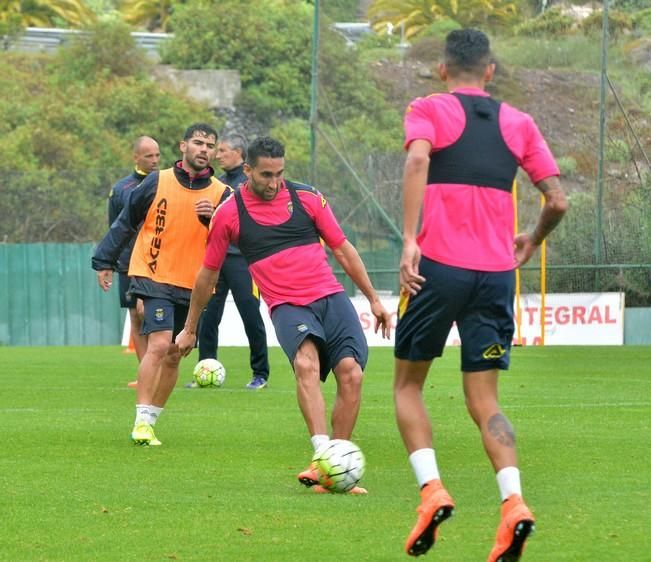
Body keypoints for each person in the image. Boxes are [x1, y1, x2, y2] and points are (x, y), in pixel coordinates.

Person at [394, 29, 568, 559]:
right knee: (485, 399)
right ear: (490, 71)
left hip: (437, 268)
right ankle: (513, 501)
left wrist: (408, 238)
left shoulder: (429, 108)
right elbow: (557, 200)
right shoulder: (519, 123)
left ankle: (432, 490)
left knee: (407, 386)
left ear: (443, 70)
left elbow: (418, 160)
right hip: (495, 274)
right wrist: (532, 238)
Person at [176, 136, 392, 494]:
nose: (274, 183)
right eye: (265, 175)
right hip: (287, 305)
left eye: (279, 174)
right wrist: (190, 329)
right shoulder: (229, 214)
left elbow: (343, 250)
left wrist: (373, 299)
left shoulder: (307, 198)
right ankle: (323, 455)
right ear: (246, 170)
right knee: (306, 365)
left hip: (330, 297)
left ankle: (334, 468)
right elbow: (207, 275)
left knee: (351, 374)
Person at [92, 123, 232, 446]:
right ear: (183, 146)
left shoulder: (222, 194)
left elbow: (234, 242)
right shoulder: (158, 181)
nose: (204, 149)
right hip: (154, 275)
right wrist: (104, 261)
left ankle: (151, 420)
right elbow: (126, 221)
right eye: (198, 142)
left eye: (210, 146)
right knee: (158, 344)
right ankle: (140, 421)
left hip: (193, 284)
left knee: (173, 353)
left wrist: (213, 219)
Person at [185, 133, 270, 390]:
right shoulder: (215, 183)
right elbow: (212, 226)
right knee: (208, 317)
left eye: (222, 150)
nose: (217, 154)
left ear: (238, 153)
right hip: (217, 260)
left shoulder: (249, 183)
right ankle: (205, 368)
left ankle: (260, 374)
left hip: (244, 261)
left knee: (250, 315)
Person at [107, 136, 161, 388]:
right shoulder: (120, 190)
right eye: (149, 156)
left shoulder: (164, 184)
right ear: (136, 157)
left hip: (157, 261)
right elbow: (114, 229)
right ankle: (145, 375)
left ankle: (156, 368)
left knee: (148, 311)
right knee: (135, 315)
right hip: (128, 262)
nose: (154, 160)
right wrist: (109, 261)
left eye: (157, 155)